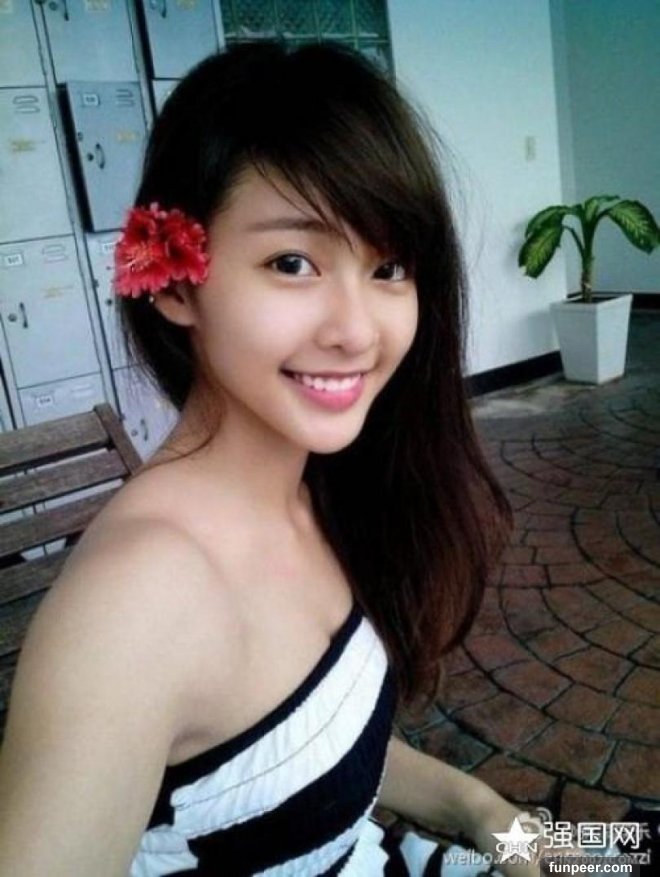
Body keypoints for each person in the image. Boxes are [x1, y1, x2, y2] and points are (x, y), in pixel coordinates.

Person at [0, 42, 548, 877]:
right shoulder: (135, 604)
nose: (357, 331)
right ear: (173, 282)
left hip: (422, 854)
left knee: (624, 852)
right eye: (293, 263)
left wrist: (489, 814)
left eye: (388, 267)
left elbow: (310, 749)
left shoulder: (321, 488)